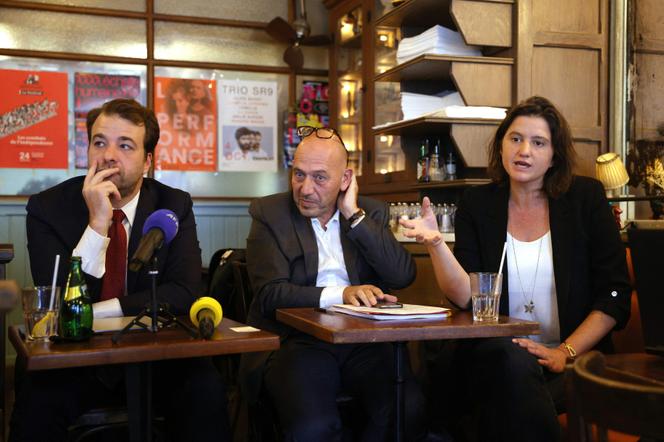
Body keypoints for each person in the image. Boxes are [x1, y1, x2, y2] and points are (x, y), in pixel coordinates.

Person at [401, 96, 631, 442]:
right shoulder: (477, 205)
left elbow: (614, 295)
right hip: (496, 357)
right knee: (508, 366)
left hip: (571, 358)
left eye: (539, 143)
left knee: (499, 403)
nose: (524, 150)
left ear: (555, 155)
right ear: (502, 145)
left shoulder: (586, 199)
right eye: (515, 138)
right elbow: (467, 298)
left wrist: (563, 352)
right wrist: (435, 244)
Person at [11, 98, 230, 442]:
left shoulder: (174, 205)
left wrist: (96, 311)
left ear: (147, 161)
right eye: (100, 142)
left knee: (205, 388)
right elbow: (56, 303)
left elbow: (184, 293)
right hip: (74, 359)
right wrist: (98, 223)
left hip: (156, 354)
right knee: (37, 398)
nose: (109, 154)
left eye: (124, 145)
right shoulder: (47, 208)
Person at [241, 125, 426, 441]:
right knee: (313, 426)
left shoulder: (370, 213)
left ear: (345, 179)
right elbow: (270, 294)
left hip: (363, 342)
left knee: (408, 409)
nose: (305, 188)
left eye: (319, 178)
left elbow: (402, 275)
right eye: (298, 175)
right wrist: (343, 293)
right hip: (297, 341)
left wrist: (353, 215)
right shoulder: (270, 213)